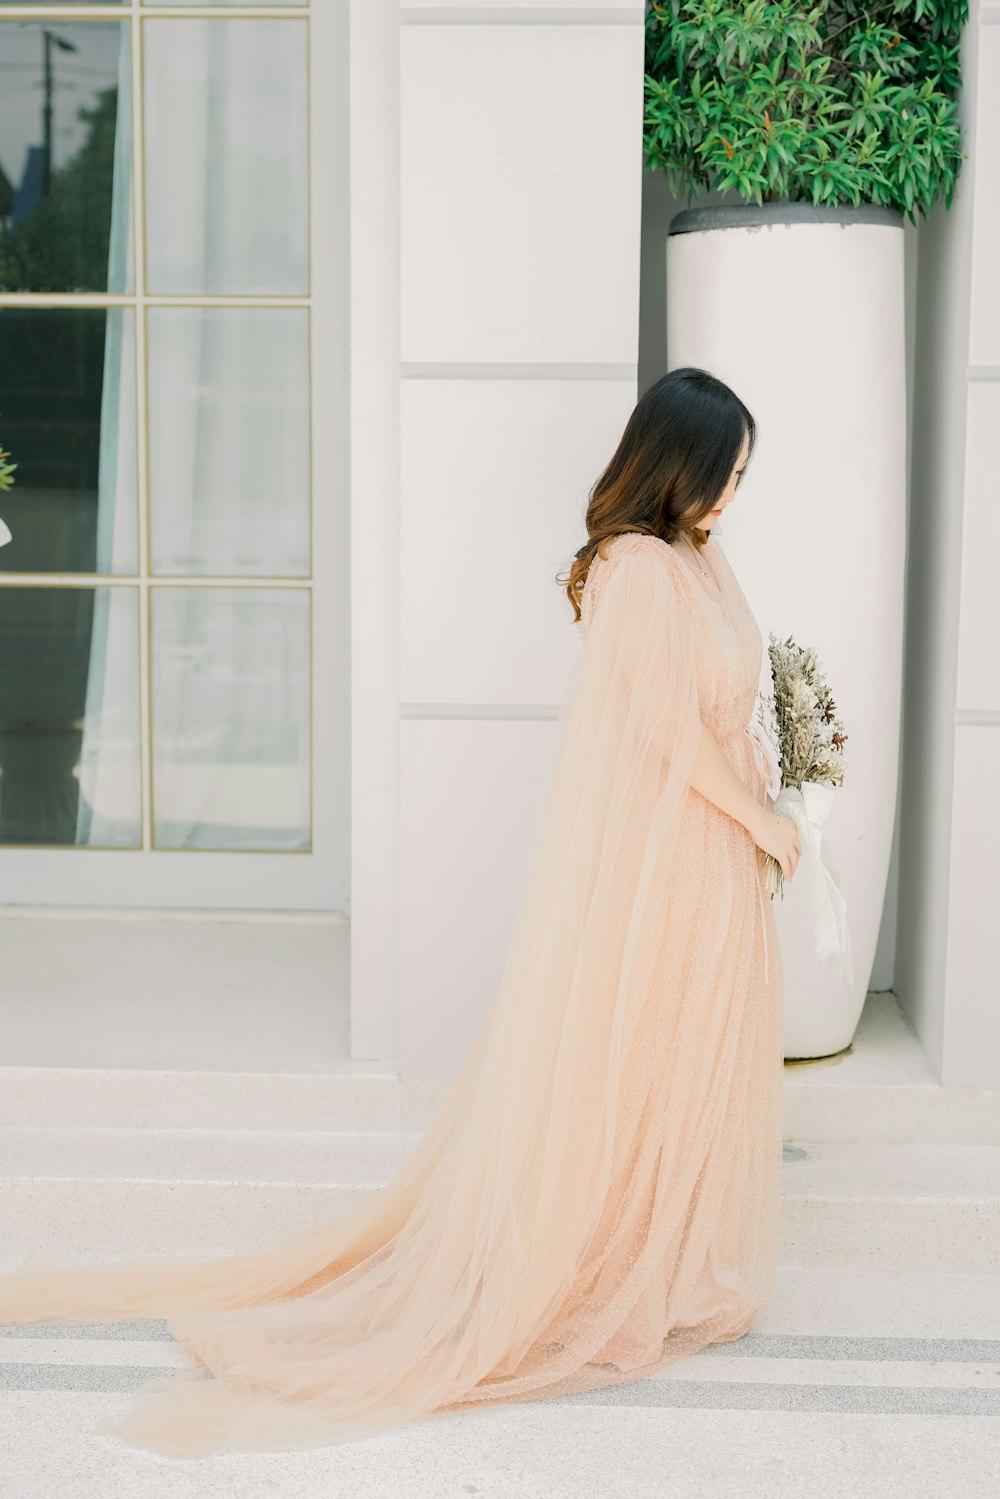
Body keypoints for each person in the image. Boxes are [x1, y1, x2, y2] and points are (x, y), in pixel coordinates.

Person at [0, 366, 802, 1459]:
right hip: (682, 853)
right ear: (674, 462)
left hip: (713, 850)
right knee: (640, 1062)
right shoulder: (641, 570)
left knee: (686, 1067)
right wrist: (766, 819)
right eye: (722, 475)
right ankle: (606, 1268)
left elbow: (725, 701)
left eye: (742, 478)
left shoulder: (700, 560)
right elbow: (667, 730)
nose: (730, 498)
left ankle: (663, 1261)